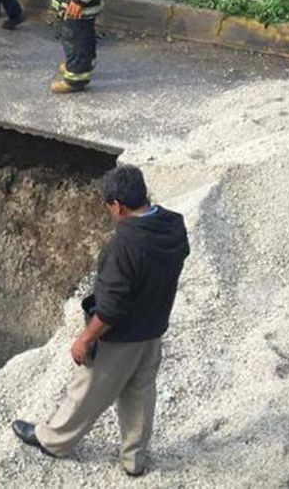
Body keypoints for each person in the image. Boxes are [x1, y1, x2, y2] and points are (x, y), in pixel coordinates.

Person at [12, 164, 189, 479]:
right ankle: (134, 459)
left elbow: (110, 308)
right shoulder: (173, 224)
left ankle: (53, 441)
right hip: (153, 330)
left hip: (121, 338)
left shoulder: (124, 246)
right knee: (140, 393)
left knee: (86, 391)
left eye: (109, 206)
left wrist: (85, 339)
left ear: (118, 205)